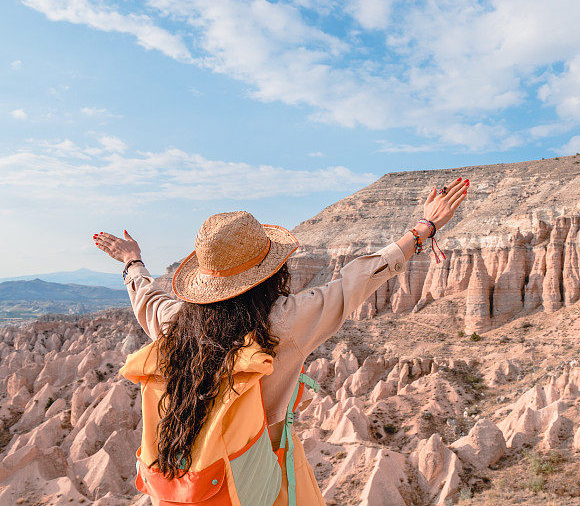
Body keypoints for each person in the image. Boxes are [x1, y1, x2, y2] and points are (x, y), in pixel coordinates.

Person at [93, 178, 469, 505]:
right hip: (263, 482)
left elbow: (148, 300)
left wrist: (132, 262)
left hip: (193, 483)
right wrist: (423, 229)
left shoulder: (179, 323)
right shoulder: (284, 321)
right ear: (271, 271)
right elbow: (354, 283)